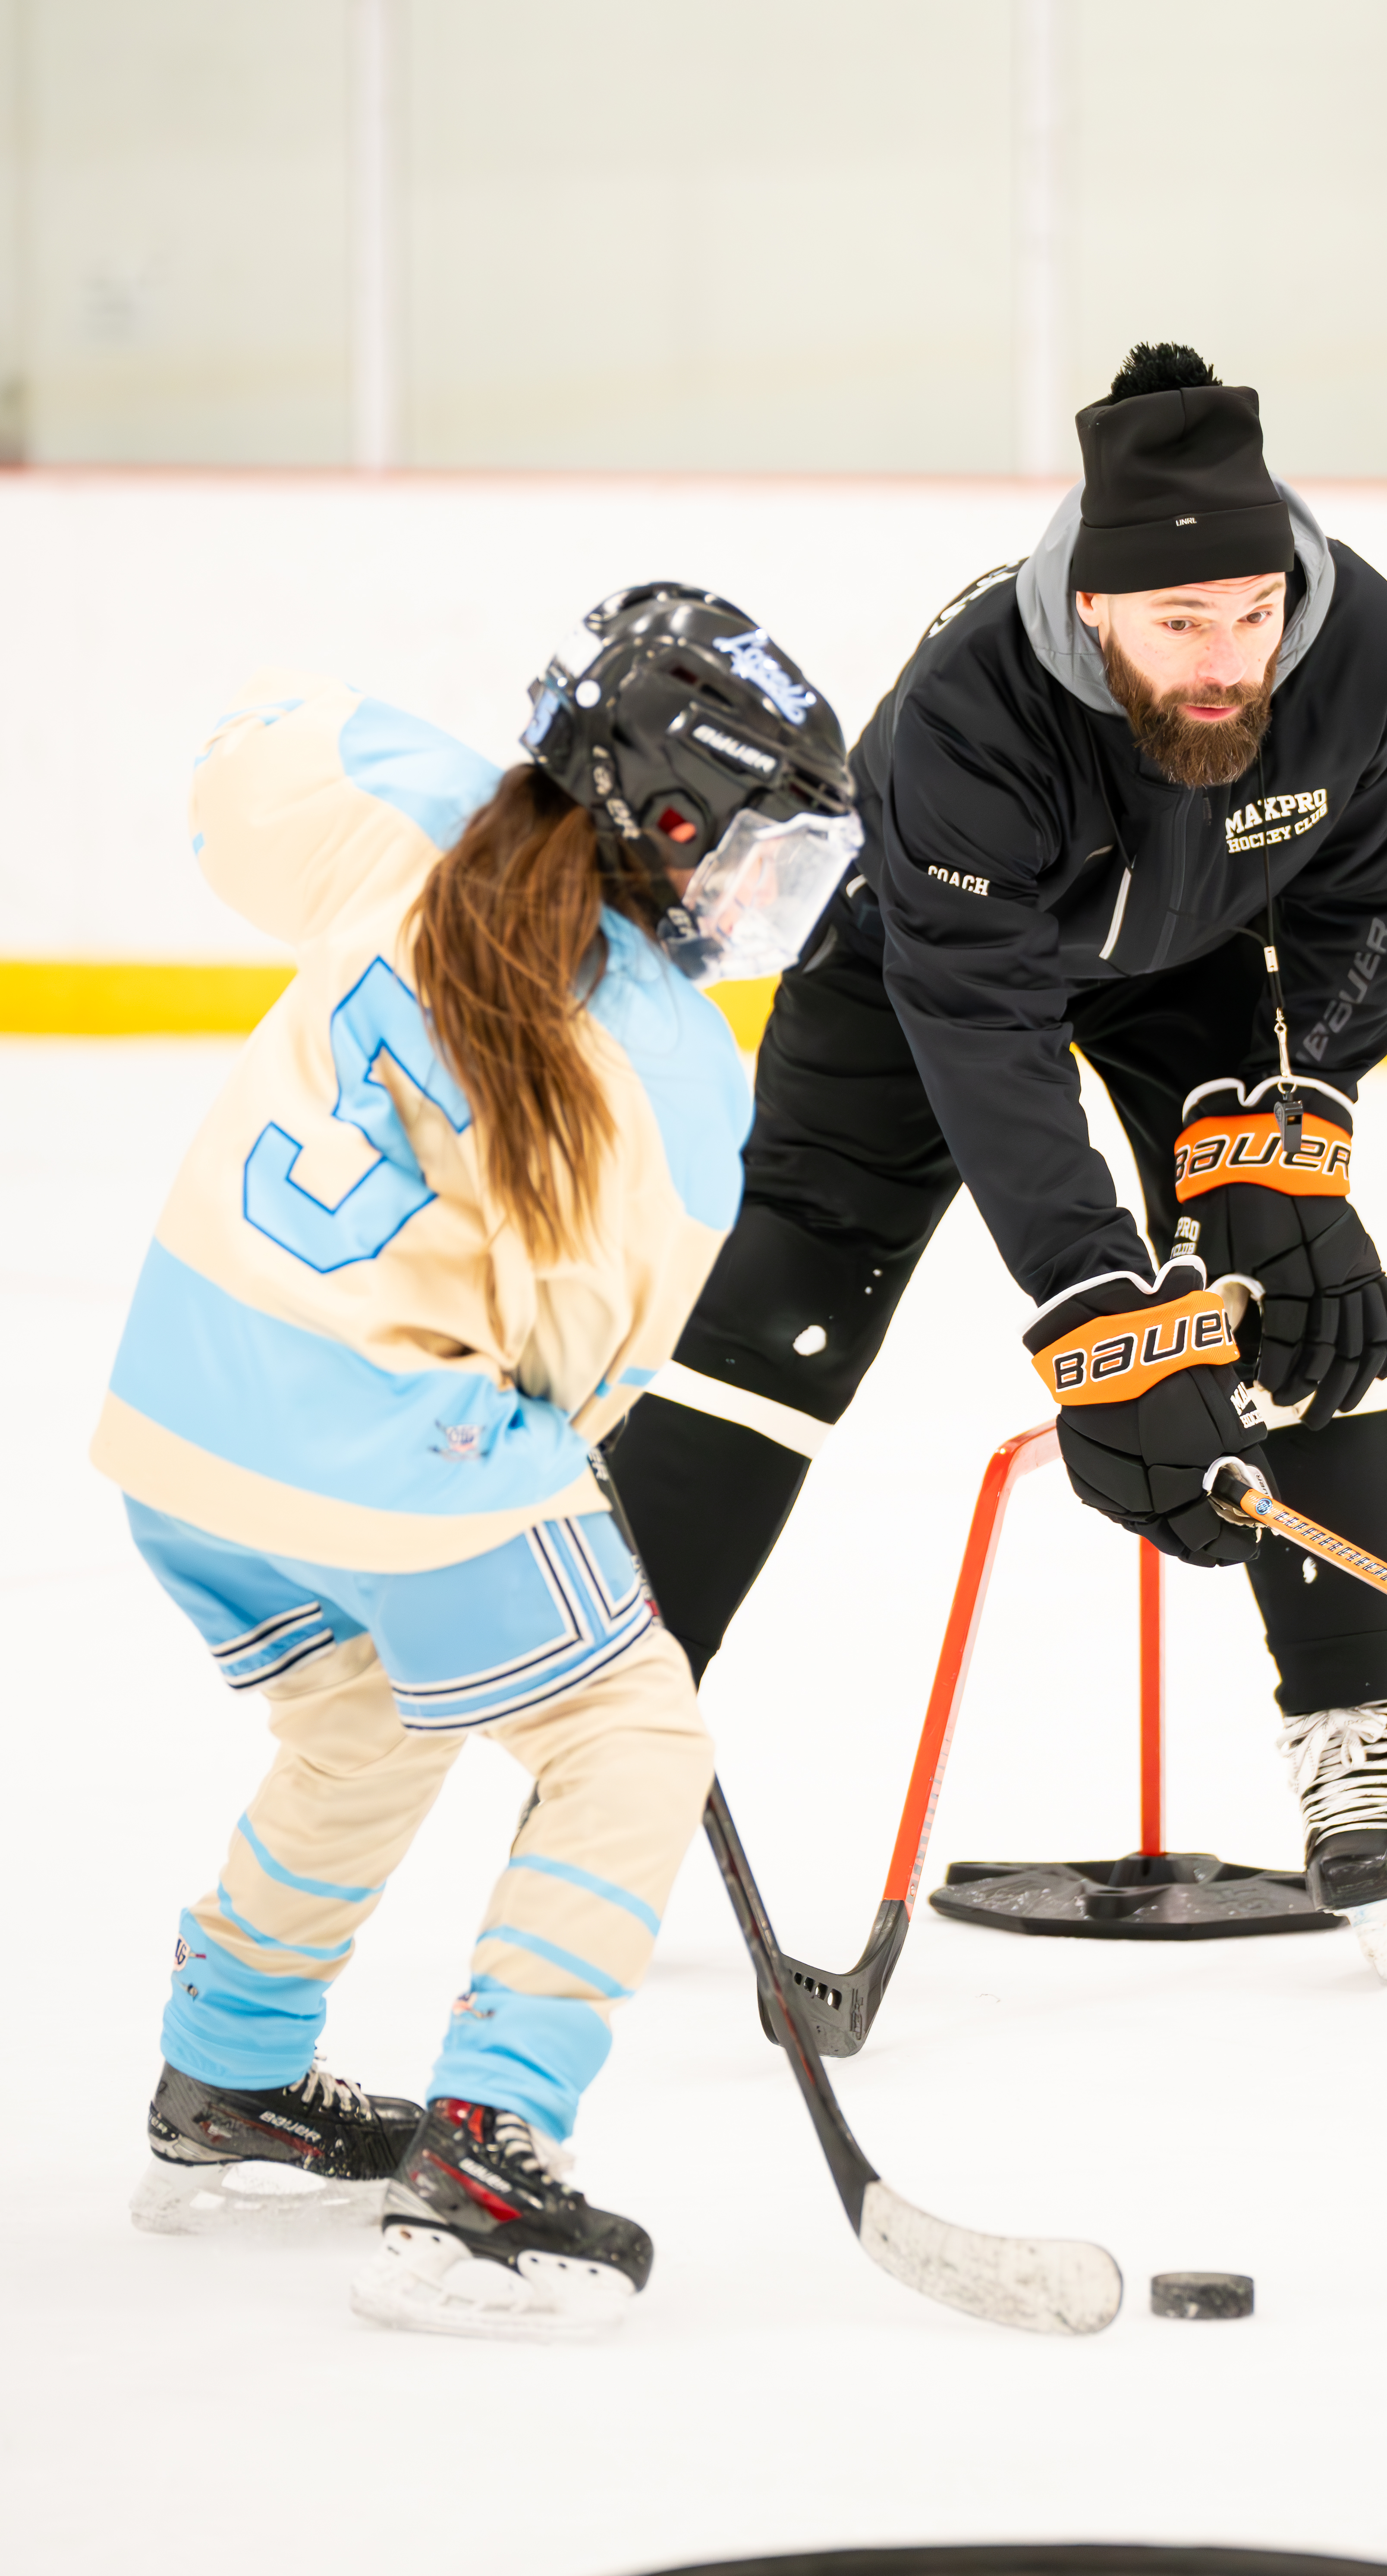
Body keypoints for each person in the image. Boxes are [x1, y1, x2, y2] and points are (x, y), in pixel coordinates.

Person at [607, 344, 1387, 1976]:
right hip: (914, 971)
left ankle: (1353, 1725)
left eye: (1255, 612)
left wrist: (1290, 1142)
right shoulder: (972, 708)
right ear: (1099, 612)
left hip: (1190, 968)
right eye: (1182, 626)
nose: (1230, 661)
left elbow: (1367, 908)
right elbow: (985, 1032)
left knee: (1298, 1296)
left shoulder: (1360, 654)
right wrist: (1097, 1300)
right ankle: (608, 1754)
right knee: (775, 1326)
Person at [91, 584, 859, 2337]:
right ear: (666, 816)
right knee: (629, 1731)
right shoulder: (667, 1067)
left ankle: (229, 2074)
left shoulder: (416, 809)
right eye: (758, 853)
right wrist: (547, 1481)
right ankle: (490, 2155)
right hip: (381, 1443)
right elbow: (588, 1366)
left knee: (361, 1717)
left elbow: (241, 770)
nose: (760, 903)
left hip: (184, 1405)